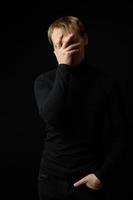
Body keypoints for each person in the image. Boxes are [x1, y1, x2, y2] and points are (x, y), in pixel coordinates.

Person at [34, 16, 125, 200]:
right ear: (54, 50)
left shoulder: (106, 83)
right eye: (60, 43)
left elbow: (122, 135)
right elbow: (52, 116)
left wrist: (101, 175)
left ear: (85, 39)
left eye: (72, 40)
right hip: (50, 180)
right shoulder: (44, 81)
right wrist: (64, 68)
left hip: (88, 180)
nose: (67, 47)